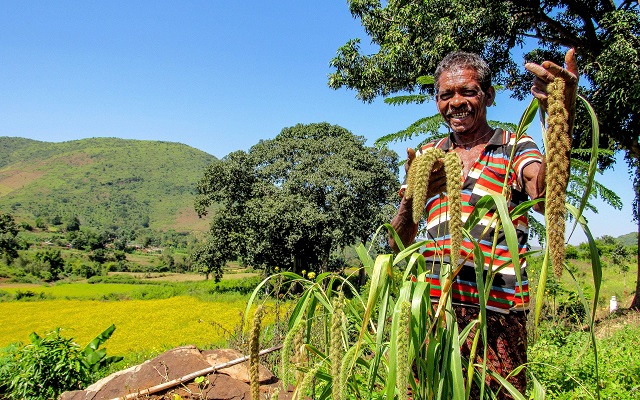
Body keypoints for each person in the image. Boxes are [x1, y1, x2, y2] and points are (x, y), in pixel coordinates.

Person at [389, 49, 578, 397]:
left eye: (467, 92)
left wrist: (560, 112)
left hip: (498, 318)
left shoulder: (514, 146)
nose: (456, 103)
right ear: (437, 102)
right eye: (446, 95)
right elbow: (397, 242)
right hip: (434, 312)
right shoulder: (430, 154)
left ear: (488, 96)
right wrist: (411, 200)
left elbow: (544, 192)